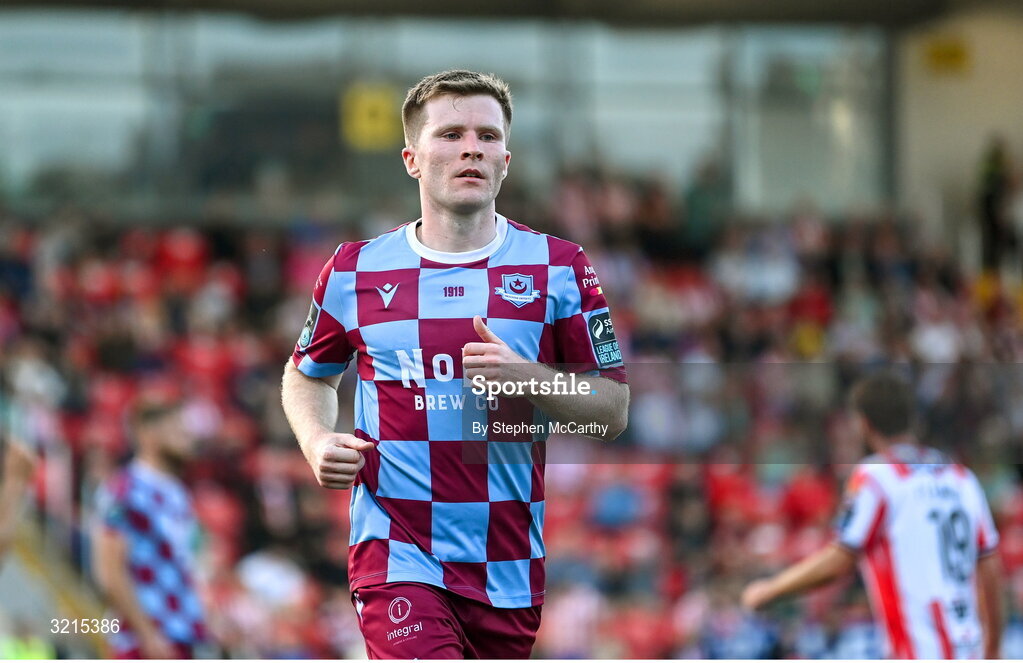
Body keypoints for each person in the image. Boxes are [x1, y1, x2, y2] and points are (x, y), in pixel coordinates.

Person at [281, 69, 629, 659]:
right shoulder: (353, 269)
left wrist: (526, 377)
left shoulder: (559, 267)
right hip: (396, 551)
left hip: (507, 563)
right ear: (412, 158)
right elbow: (305, 372)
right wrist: (316, 439)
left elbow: (611, 411)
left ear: (506, 160)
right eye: (451, 134)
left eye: (487, 136)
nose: (472, 147)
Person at [741, 372, 1003, 659]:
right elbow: (989, 566)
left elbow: (840, 559)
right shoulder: (961, 477)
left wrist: (768, 591)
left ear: (863, 424)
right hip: (968, 649)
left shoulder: (877, 477)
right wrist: (993, 648)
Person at [91, 398, 208, 659]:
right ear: (147, 433)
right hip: (145, 642)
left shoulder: (179, 493)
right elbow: (109, 573)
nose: (188, 437)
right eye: (178, 428)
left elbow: (186, 564)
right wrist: (147, 634)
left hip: (182, 633)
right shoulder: (124, 490)